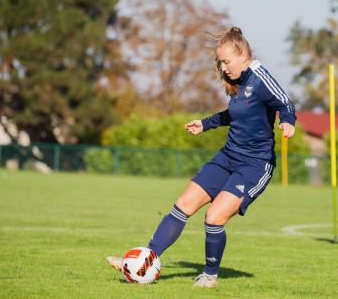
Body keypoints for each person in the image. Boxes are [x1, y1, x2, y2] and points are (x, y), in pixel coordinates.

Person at [107, 27, 297, 287]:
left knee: (214, 218)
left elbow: (285, 103)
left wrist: (288, 121)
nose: (223, 67)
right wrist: (205, 124)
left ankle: (210, 276)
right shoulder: (238, 82)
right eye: (220, 62)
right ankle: (143, 259)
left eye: (226, 61)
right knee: (183, 203)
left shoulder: (260, 77)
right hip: (228, 156)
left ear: (242, 54)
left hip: (254, 165)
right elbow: (236, 115)